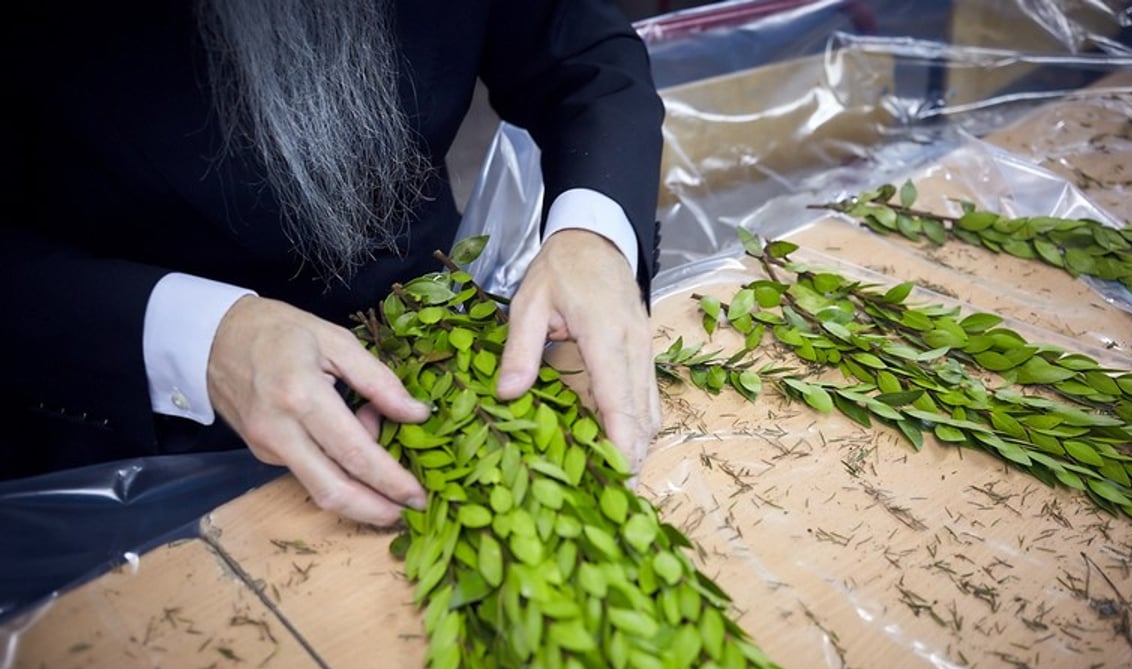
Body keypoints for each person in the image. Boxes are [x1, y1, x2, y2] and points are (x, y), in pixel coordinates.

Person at [1, 1, 665, 526]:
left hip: (442, 342)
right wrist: (199, 338)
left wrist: (594, 233)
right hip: (140, 434)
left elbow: (577, 45)